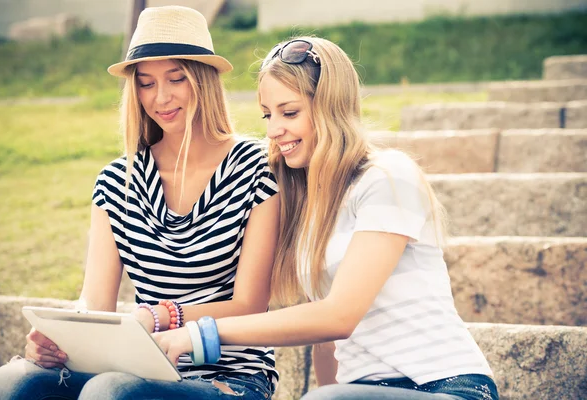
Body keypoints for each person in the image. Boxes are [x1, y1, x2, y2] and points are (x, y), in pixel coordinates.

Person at [151, 37, 500, 400]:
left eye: (289, 113)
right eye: (267, 115)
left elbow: (338, 317)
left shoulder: (387, 176)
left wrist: (199, 333)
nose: (273, 131)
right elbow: (327, 341)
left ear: (330, 108)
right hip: (360, 392)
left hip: (446, 387)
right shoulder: (309, 202)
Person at [0, 6, 279, 400]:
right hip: (140, 365)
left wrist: (161, 315)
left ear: (204, 80)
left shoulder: (256, 167)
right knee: (12, 383)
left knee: (112, 391)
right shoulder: (116, 182)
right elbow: (97, 305)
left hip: (231, 376)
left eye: (176, 78)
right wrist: (56, 340)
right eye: (145, 83)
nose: (160, 97)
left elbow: (250, 304)